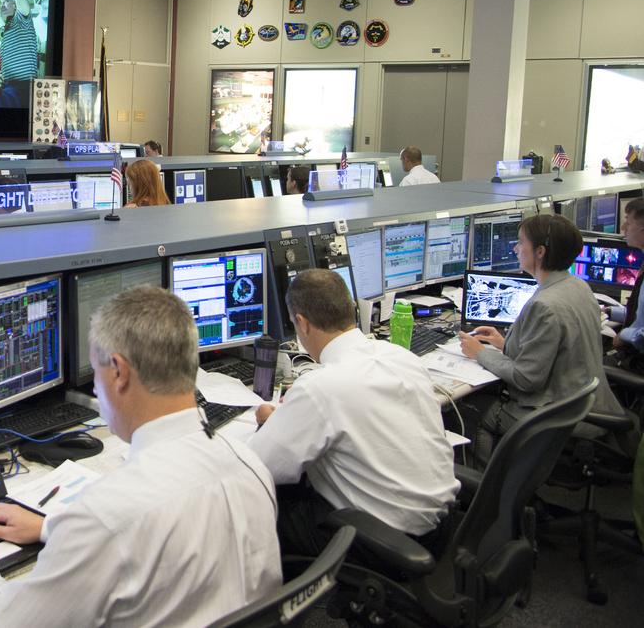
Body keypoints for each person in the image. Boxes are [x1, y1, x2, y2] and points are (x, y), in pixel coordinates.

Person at [0, 286, 281, 627]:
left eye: (95, 375)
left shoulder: (106, 516)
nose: (96, 390)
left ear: (118, 372)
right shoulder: (248, 463)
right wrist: (50, 528)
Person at [248, 269, 458, 556]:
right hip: (440, 525)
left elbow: (260, 466)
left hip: (384, 540)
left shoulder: (320, 387)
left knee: (259, 506)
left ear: (302, 323)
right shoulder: (401, 357)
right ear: (352, 309)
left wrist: (270, 424)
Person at [459, 214, 626, 460]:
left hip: (548, 416)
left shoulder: (545, 305)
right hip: (578, 405)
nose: (515, 249)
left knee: (464, 411)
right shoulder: (578, 286)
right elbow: (557, 350)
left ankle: (489, 492)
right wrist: (505, 344)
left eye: (520, 242)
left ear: (539, 252)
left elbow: (526, 379)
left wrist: (480, 352)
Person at [0, 0, 38, 109]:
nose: (2, 4)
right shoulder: (5, 31)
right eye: (1, 2)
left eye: (6, 0)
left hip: (25, 87)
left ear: (16, 5)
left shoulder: (22, 19)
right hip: (9, 87)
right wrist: (1, 74)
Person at [607, 198, 644, 370]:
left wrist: (624, 335)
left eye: (628, 222)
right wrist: (611, 312)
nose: (623, 228)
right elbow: (640, 316)